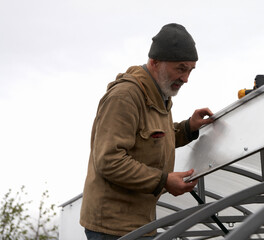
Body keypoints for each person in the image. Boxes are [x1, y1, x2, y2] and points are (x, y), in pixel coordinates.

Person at [80, 23, 214, 239]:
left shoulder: (159, 93)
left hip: (139, 222)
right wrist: (164, 180)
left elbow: (153, 138)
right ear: (155, 62)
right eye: (180, 68)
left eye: (190, 70)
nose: (186, 78)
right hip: (112, 228)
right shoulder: (125, 97)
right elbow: (109, 160)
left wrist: (188, 127)